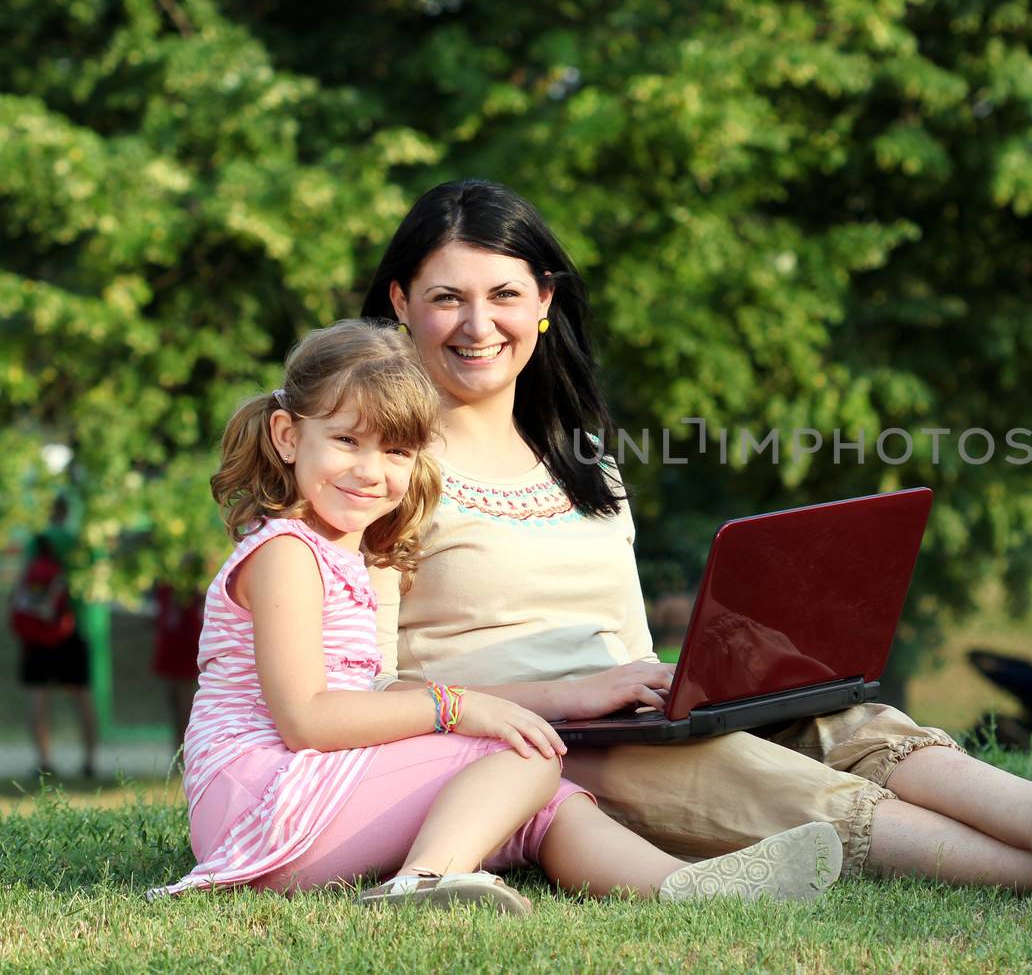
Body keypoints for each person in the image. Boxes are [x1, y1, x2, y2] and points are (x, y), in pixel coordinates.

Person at [359, 180, 1032, 903]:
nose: (480, 324)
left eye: (504, 293)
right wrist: (578, 695)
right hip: (522, 745)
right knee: (762, 776)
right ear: (402, 303)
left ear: (543, 301)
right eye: (448, 297)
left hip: (630, 715)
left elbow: (622, 641)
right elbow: (365, 687)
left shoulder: (582, 462)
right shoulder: (378, 470)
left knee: (837, 713)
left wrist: (697, 679)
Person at [152, 319, 843, 909]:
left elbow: (373, 701)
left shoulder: (343, 554)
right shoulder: (285, 555)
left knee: (538, 791)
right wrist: (458, 708)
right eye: (347, 441)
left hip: (304, 796)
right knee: (518, 755)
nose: (371, 470)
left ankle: (686, 887)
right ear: (287, 435)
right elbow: (307, 719)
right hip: (260, 803)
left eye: (395, 450)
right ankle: (424, 881)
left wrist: (570, 695)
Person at [9, 499, 97, 780]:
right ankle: (89, 762)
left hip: (37, 634)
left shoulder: (39, 540)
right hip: (71, 626)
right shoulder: (80, 541)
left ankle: (44, 762)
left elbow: (22, 583)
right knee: (81, 696)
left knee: (38, 697)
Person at [149, 581, 204, 751]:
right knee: (173, 700)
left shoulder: (194, 575)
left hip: (187, 640)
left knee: (186, 703)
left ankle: (188, 751)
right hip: (170, 640)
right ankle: (178, 751)